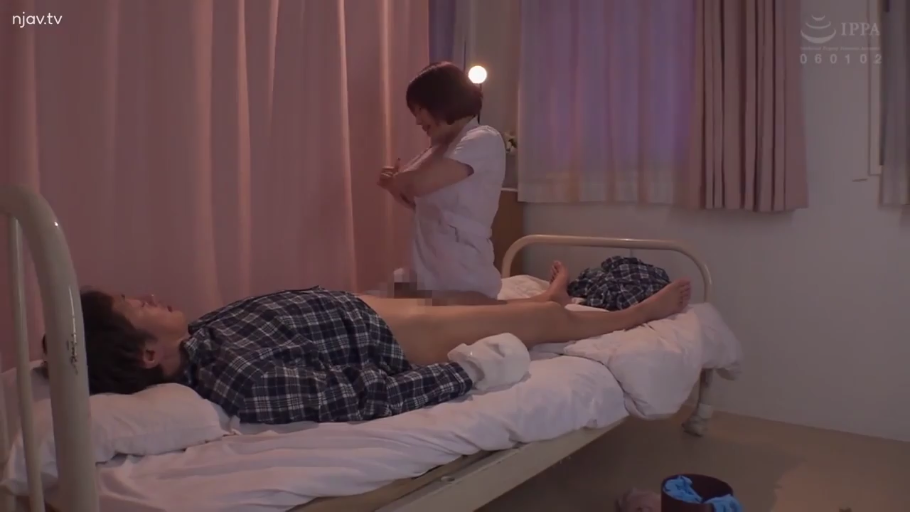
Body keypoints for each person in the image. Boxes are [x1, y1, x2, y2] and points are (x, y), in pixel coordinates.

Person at [55, 272, 691, 425]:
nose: (150, 297)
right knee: (537, 322)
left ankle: (540, 303)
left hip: (356, 310)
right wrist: (465, 374)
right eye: (138, 307)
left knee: (451, 297)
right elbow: (363, 397)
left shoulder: (201, 333)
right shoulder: (236, 379)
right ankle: (633, 314)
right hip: (382, 339)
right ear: (147, 354)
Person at [378, 61, 506, 304]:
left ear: (441, 101)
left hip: (462, 272)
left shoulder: (483, 138)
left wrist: (400, 180)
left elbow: (418, 184)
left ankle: (549, 298)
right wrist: (395, 186)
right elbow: (418, 200)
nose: (418, 121)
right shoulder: (440, 148)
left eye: (419, 110)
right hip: (428, 268)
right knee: (384, 300)